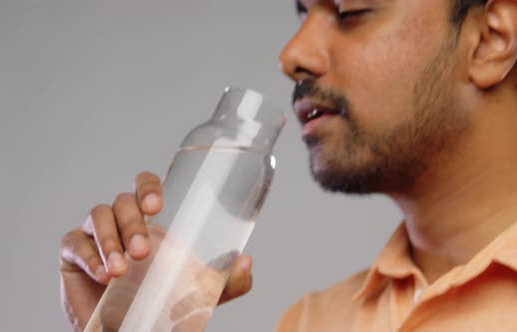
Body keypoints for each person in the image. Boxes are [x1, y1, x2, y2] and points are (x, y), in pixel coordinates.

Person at [59, 0, 517, 330]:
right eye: (302, 12)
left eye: (348, 12)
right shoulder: (314, 322)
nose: (291, 56)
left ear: (490, 39)